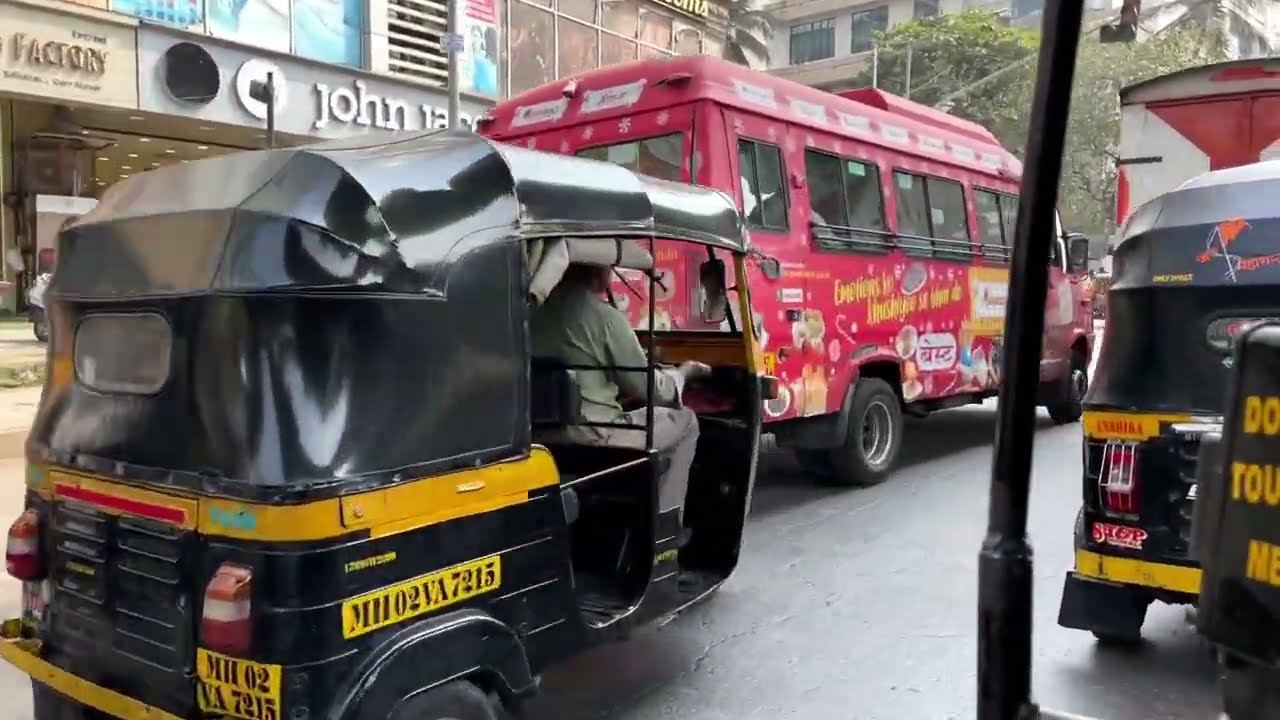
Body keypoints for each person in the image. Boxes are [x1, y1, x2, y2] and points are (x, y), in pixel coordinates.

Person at [531, 263, 708, 523]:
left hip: (541, 439)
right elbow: (653, 391)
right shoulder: (603, 317)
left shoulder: (533, 314)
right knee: (687, 422)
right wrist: (684, 373)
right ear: (596, 272)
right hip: (595, 438)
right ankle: (666, 526)